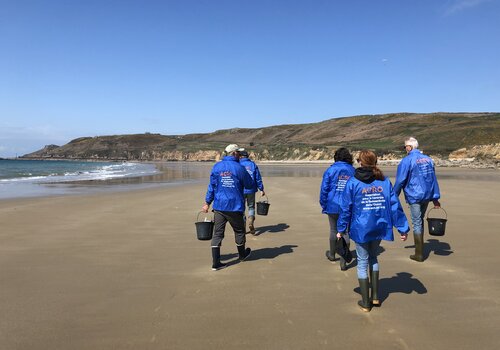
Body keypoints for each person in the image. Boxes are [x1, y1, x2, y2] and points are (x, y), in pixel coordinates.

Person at [337, 150, 409, 312]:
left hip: (361, 227)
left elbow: (345, 208)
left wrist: (341, 229)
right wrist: (402, 228)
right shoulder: (383, 181)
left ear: (360, 163)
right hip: (379, 225)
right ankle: (375, 296)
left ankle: (366, 301)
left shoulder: (353, 182)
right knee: (374, 257)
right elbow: (394, 206)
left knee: (362, 261)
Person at [202, 144, 254, 271]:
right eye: (238, 153)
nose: (240, 155)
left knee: (218, 234)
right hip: (234, 206)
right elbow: (249, 184)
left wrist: (207, 202)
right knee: (239, 231)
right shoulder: (240, 168)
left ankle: (216, 263)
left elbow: (212, 186)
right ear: (234, 153)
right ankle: (242, 255)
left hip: (219, 206)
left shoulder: (217, 167)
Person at [393, 137, 441, 262]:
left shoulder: (407, 160)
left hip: (414, 195)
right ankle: (420, 249)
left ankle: (419, 253)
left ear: (409, 147)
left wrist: (393, 195)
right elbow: (433, 178)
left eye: (405, 147)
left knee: (417, 222)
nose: (405, 149)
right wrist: (435, 197)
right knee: (420, 220)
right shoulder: (428, 159)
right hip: (427, 194)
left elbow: (400, 180)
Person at [319, 147, 355, 270]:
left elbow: (324, 189)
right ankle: (343, 260)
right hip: (348, 205)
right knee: (345, 231)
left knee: (334, 230)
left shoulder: (330, 170)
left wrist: (323, 204)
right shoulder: (352, 170)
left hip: (332, 204)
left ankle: (332, 254)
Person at [239, 150, 265, 235]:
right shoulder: (253, 164)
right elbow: (258, 177)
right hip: (251, 190)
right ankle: (251, 220)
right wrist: (261, 189)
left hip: (240, 190)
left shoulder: (238, 164)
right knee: (251, 207)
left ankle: (242, 227)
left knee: (241, 209)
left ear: (241, 156)